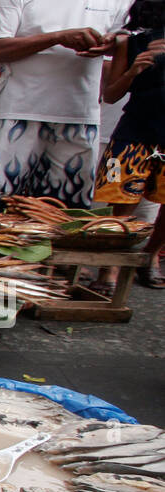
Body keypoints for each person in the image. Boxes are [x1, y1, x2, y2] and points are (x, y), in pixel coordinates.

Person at [0, 0, 130, 206]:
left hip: (80, 115)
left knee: (68, 209)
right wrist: (58, 37)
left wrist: (113, 42)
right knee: (0, 202)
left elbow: (124, 41)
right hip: (17, 113)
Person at [92, 0, 165, 287]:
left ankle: (150, 257)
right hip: (135, 130)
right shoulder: (129, 41)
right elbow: (110, 95)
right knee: (122, 202)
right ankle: (108, 268)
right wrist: (134, 70)